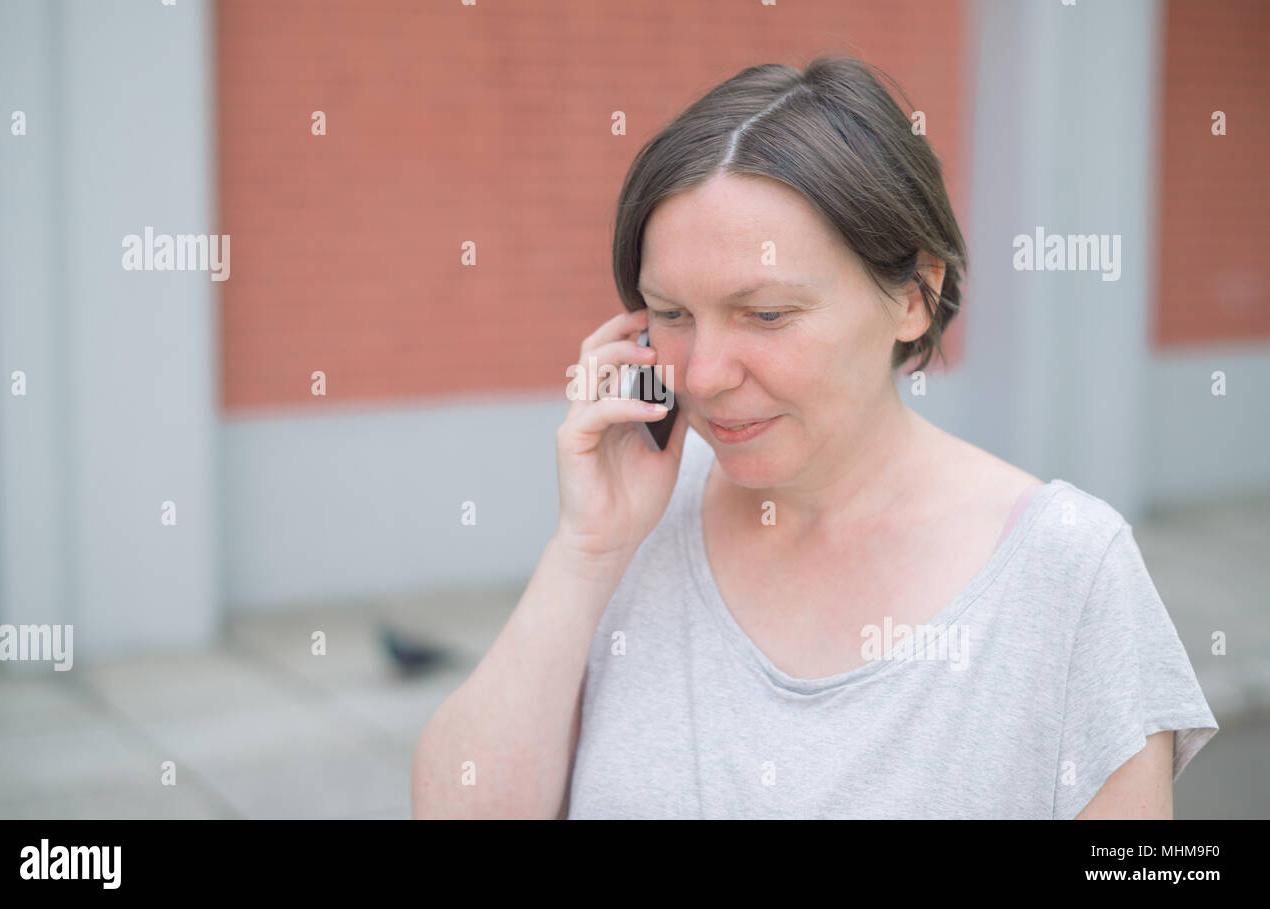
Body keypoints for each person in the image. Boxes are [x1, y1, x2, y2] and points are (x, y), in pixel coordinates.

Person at [411, 56, 1218, 819]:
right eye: (671, 314)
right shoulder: (636, 530)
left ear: (914, 296)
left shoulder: (1068, 572)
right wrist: (586, 553)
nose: (702, 373)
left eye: (765, 314)